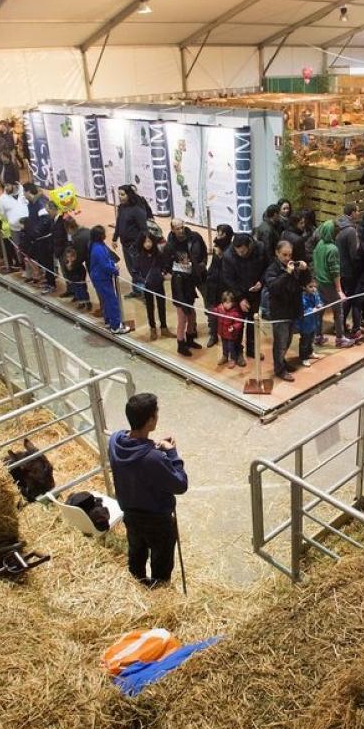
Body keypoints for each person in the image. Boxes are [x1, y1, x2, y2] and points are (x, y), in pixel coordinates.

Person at [107, 393, 188, 587]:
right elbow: (180, 485)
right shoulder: (154, 458)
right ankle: (159, 589)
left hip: (131, 514)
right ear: (151, 420)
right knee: (161, 560)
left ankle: (138, 585)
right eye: (156, 414)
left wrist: (152, 444)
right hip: (157, 520)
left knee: (136, 553)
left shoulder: (115, 441)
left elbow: (134, 444)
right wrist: (171, 453)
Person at [263, 240, 309, 383]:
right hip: (280, 312)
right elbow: (274, 287)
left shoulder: (292, 266)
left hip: (293, 309)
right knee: (280, 342)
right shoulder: (272, 269)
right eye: (284, 255)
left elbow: (305, 283)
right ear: (277, 253)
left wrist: (304, 270)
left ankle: (282, 361)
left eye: (290, 255)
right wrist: (287, 274)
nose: (288, 258)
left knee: (288, 340)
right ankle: (279, 369)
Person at [221, 234, 267, 366]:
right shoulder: (229, 255)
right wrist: (240, 298)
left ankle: (252, 350)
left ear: (250, 245)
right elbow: (228, 278)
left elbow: (267, 267)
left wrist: (261, 282)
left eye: (243, 251)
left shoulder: (260, 248)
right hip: (238, 294)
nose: (240, 254)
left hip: (255, 292)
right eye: (238, 251)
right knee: (238, 325)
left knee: (253, 322)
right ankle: (237, 353)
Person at [165, 218, 207, 350]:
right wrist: (168, 272)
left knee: (192, 315)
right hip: (179, 284)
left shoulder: (195, 237)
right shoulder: (170, 245)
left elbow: (204, 252)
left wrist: (202, 265)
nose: (181, 230)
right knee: (182, 318)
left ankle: (190, 338)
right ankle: (181, 344)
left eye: (182, 227)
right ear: (172, 229)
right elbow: (165, 263)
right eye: (177, 228)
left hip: (194, 278)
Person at [312, 220, 355, 349]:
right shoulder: (333, 249)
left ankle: (318, 336)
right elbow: (335, 271)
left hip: (319, 282)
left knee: (320, 310)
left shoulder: (319, 244)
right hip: (329, 284)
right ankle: (340, 339)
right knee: (338, 311)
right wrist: (339, 290)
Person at [88, 225, 129, 334]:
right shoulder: (98, 249)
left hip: (100, 277)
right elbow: (104, 265)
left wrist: (112, 264)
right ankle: (115, 326)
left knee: (106, 300)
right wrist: (114, 269)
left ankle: (108, 321)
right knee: (111, 301)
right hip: (102, 278)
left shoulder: (97, 245)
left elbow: (107, 259)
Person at [113, 185, 149, 299]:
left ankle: (145, 292)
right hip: (125, 245)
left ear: (129, 195)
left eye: (122, 194)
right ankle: (137, 290)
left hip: (135, 246)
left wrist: (136, 244)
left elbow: (144, 229)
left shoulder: (137, 210)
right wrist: (115, 237)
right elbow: (118, 223)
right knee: (131, 269)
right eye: (119, 194)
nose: (120, 197)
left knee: (139, 269)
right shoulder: (121, 208)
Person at [133, 233, 169, 341]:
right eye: (145, 242)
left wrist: (163, 273)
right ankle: (152, 328)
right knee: (150, 307)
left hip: (158, 283)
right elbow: (135, 272)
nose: (148, 244)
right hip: (147, 285)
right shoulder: (139, 256)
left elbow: (164, 266)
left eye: (149, 241)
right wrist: (142, 281)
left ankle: (164, 327)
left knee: (162, 305)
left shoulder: (158, 254)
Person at [335, 203, 363, 338]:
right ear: (352, 213)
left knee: (344, 297)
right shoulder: (351, 230)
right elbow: (354, 254)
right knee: (349, 298)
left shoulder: (339, 225)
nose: (359, 213)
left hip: (339, 267)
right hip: (349, 270)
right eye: (357, 211)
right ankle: (340, 325)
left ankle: (339, 324)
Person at [204, 224, 234, 348]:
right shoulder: (217, 247)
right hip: (213, 286)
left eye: (221, 234)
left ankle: (228, 338)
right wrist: (209, 276)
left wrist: (221, 256)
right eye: (218, 233)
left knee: (227, 315)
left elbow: (229, 269)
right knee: (212, 313)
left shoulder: (231, 250)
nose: (218, 236)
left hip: (225, 288)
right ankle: (213, 335)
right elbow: (213, 266)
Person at [23, 183, 55, 293]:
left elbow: (45, 221)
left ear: (28, 192)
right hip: (38, 238)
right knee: (44, 262)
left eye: (24, 192)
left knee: (48, 262)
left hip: (44, 239)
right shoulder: (32, 204)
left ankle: (51, 284)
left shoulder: (40, 203)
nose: (23, 194)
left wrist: (35, 231)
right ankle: (48, 280)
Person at [0, 181, 29, 272]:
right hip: (14, 229)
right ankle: (24, 268)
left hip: (28, 227)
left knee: (31, 248)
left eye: (8, 185)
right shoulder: (2, 199)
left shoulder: (24, 193)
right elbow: (2, 215)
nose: (6, 188)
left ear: (14, 185)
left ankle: (36, 270)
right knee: (18, 248)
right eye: (5, 186)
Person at [63, 220, 93, 311]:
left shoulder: (77, 238)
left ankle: (87, 302)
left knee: (82, 287)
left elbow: (79, 255)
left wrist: (72, 266)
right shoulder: (83, 232)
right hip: (75, 270)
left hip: (79, 270)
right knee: (77, 287)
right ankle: (81, 302)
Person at [297, 281, 324, 367]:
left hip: (314, 322)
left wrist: (320, 305)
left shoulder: (315, 294)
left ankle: (310, 352)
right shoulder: (302, 298)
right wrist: (312, 310)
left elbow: (319, 301)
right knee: (304, 341)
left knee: (311, 339)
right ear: (304, 287)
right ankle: (304, 357)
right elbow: (302, 311)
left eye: (314, 286)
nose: (314, 289)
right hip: (305, 324)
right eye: (310, 287)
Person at [214, 290, 244, 369]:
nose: (226, 305)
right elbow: (214, 311)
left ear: (233, 303)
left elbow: (239, 322)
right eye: (225, 302)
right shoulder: (220, 309)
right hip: (223, 333)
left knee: (231, 347)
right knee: (224, 346)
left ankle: (233, 359)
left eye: (228, 302)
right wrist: (214, 310)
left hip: (231, 335)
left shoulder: (235, 312)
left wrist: (233, 327)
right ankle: (225, 356)